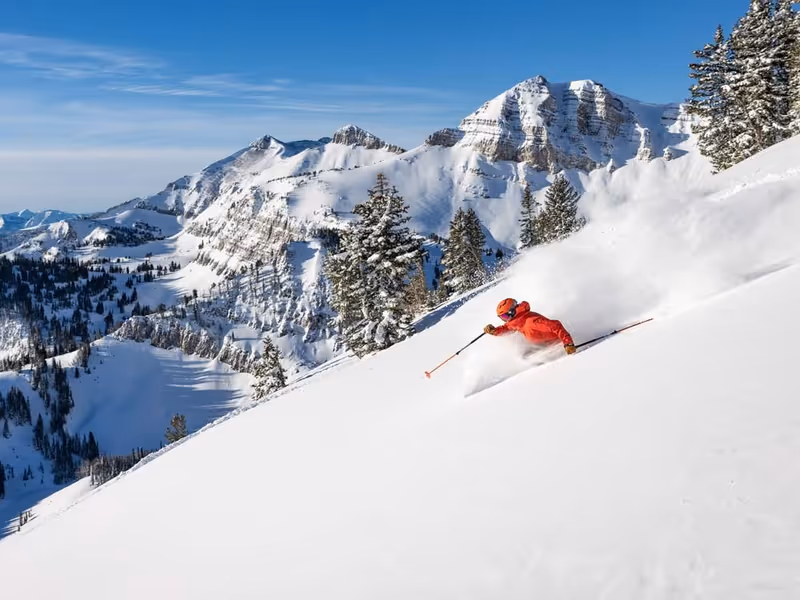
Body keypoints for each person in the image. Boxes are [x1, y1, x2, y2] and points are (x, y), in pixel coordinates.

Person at [484, 298, 576, 354]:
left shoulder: (532, 321)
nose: (505, 319)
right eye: (502, 317)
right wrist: (494, 331)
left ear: (512, 312)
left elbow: (556, 325)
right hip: (540, 345)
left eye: (505, 316)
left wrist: (568, 343)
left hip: (555, 343)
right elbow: (507, 328)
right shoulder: (516, 321)